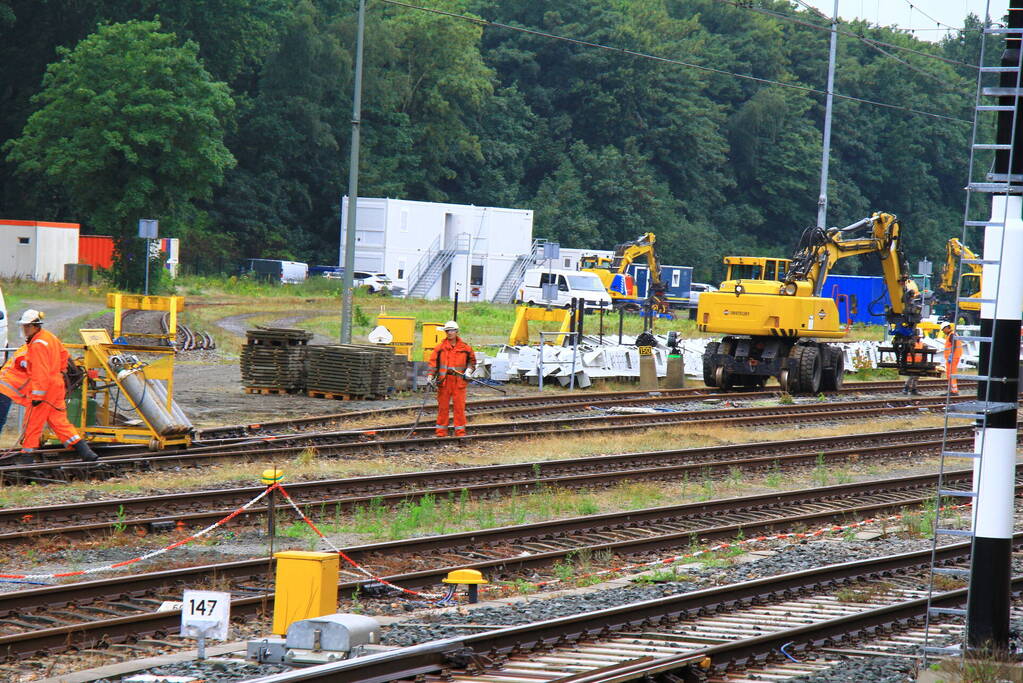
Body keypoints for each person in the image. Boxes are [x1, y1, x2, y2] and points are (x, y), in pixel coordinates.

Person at [16, 309, 98, 462]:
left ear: (35, 326)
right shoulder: (49, 338)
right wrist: (58, 372)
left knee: (32, 422)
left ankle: (26, 458)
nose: (25, 329)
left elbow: (40, 372)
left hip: (44, 389)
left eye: (27, 326)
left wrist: (37, 396)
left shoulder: (38, 344)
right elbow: (64, 356)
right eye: (24, 326)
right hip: (56, 385)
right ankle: (85, 452)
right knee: (59, 422)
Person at [427, 320, 476, 437]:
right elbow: (433, 364)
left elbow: (472, 362)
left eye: (452, 330)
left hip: (459, 383)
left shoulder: (466, 348)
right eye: (447, 330)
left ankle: (460, 432)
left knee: (459, 408)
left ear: (457, 332)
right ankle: (441, 432)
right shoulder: (440, 348)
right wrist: (430, 376)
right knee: (443, 408)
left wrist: (469, 371)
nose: (449, 333)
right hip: (444, 383)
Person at [0, 345, 29, 437]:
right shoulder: (27, 351)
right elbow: (22, 361)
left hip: (5, 389)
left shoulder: (29, 349)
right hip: (4, 389)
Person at [942, 322, 963, 396]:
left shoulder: (952, 335)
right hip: (953, 357)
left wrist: (951, 355)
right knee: (950, 374)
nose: (943, 331)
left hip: (953, 357)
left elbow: (954, 345)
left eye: (943, 329)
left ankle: (953, 391)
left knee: (951, 374)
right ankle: (952, 390)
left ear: (947, 328)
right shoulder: (952, 334)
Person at [902, 330, 925, 395]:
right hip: (911, 362)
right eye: (918, 336)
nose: (919, 338)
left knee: (916, 376)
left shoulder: (921, 343)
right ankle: (906, 388)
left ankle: (913, 389)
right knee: (912, 376)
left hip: (918, 362)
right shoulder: (911, 343)